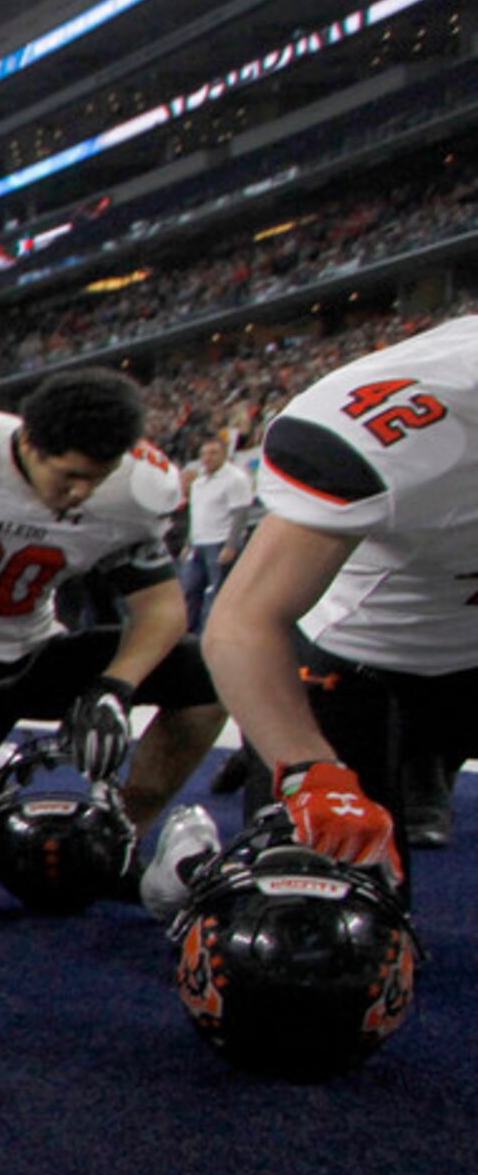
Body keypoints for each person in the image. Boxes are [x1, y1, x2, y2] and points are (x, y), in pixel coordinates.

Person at [0, 370, 226, 901]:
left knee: (209, 672)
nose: (82, 494)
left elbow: (161, 608)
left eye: (98, 478)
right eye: (70, 477)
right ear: (28, 443)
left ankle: (123, 835)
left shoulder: (134, 490)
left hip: (32, 653)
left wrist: (114, 687)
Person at [202, 314, 478, 893]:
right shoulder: (398, 426)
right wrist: (309, 769)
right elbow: (242, 622)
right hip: (359, 654)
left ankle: (430, 761)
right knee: (330, 922)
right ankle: (190, 863)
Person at [176, 435, 253, 632]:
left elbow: (240, 515)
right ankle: (188, 631)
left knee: (219, 593)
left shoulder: (235, 478)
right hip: (199, 543)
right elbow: (196, 515)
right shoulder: (199, 482)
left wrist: (231, 545)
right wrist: (188, 543)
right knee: (190, 589)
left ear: (224, 454)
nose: (208, 458)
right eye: (204, 454)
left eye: (213, 453)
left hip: (220, 542)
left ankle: (214, 634)